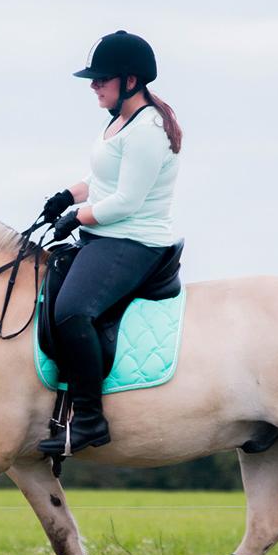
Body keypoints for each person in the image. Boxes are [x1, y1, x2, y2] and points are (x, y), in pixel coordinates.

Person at [37, 30, 184, 456]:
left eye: (102, 79)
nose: (94, 86)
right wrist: (67, 196)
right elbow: (103, 180)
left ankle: (89, 420)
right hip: (105, 234)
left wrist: (76, 217)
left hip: (135, 242)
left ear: (130, 81)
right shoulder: (119, 121)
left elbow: (126, 202)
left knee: (72, 312)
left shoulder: (148, 131)